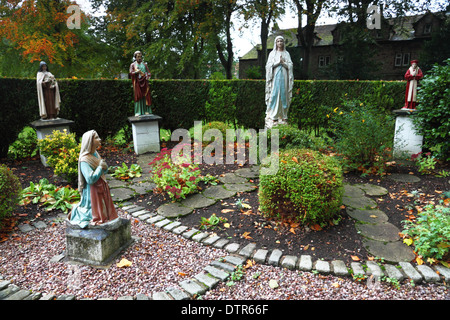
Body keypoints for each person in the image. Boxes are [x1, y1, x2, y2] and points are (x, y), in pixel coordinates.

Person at [68, 130, 118, 228]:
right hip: (92, 191)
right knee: (93, 211)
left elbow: (104, 171)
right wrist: (100, 167)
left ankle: (105, 215)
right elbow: (90, 179)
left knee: (103, 209)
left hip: (101, 186)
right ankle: (78, 212)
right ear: (89, 141)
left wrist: (104, 167)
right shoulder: (84, 160)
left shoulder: (95, 153)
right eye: (96, 137)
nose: (99, 139)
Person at [264, 36, 294, 129]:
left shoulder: (286, 53)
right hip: (275, 77)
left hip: (284, 76)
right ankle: (274, 116)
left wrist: (284, 63)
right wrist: (278, 62)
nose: (280, 43)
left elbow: (290, 65)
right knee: (274, 95)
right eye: (278, 41)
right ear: (275, 43)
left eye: (281, 41)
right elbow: (268, 66)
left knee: (284, 95)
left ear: (283, 43)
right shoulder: (272, 54)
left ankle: (284, 116)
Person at [129, 51, 152, 116]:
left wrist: (147, 76)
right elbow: (131, 73)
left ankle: (146, 110)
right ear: (135, 57)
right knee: (138, 96)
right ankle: (138, 111)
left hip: (145, 82)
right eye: (138, 57)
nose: (139, 58)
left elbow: (149, 73)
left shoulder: (145, 65)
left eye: (140, 56)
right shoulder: (133, 65)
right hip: (137, 83)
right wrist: (136, 72)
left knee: (146, 96)